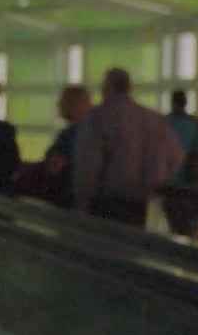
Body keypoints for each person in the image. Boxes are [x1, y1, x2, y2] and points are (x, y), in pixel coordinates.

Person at [73, 67, 183, 227]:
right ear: (129, 88)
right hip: (141, 202)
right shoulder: (153, 119)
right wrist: (154, 181)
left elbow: (88, 164)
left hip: (105, 202)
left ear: (106, 88)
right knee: (131, 246)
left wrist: (82, 200)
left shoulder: (97, 117)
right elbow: (176, 156)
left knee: (103, 246)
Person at [163, 88, 198, 238]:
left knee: (174, 227)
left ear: (172, 102)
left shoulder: (163, 124)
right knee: (191, 227)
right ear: (186, 102)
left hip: (168, 186)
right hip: (191, 185)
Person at [39, 84, 92, 207]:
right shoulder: (86, 131)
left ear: (74, 104)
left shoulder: (73, 134)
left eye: (62, 101)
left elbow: (54, 167)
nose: (58, 105)